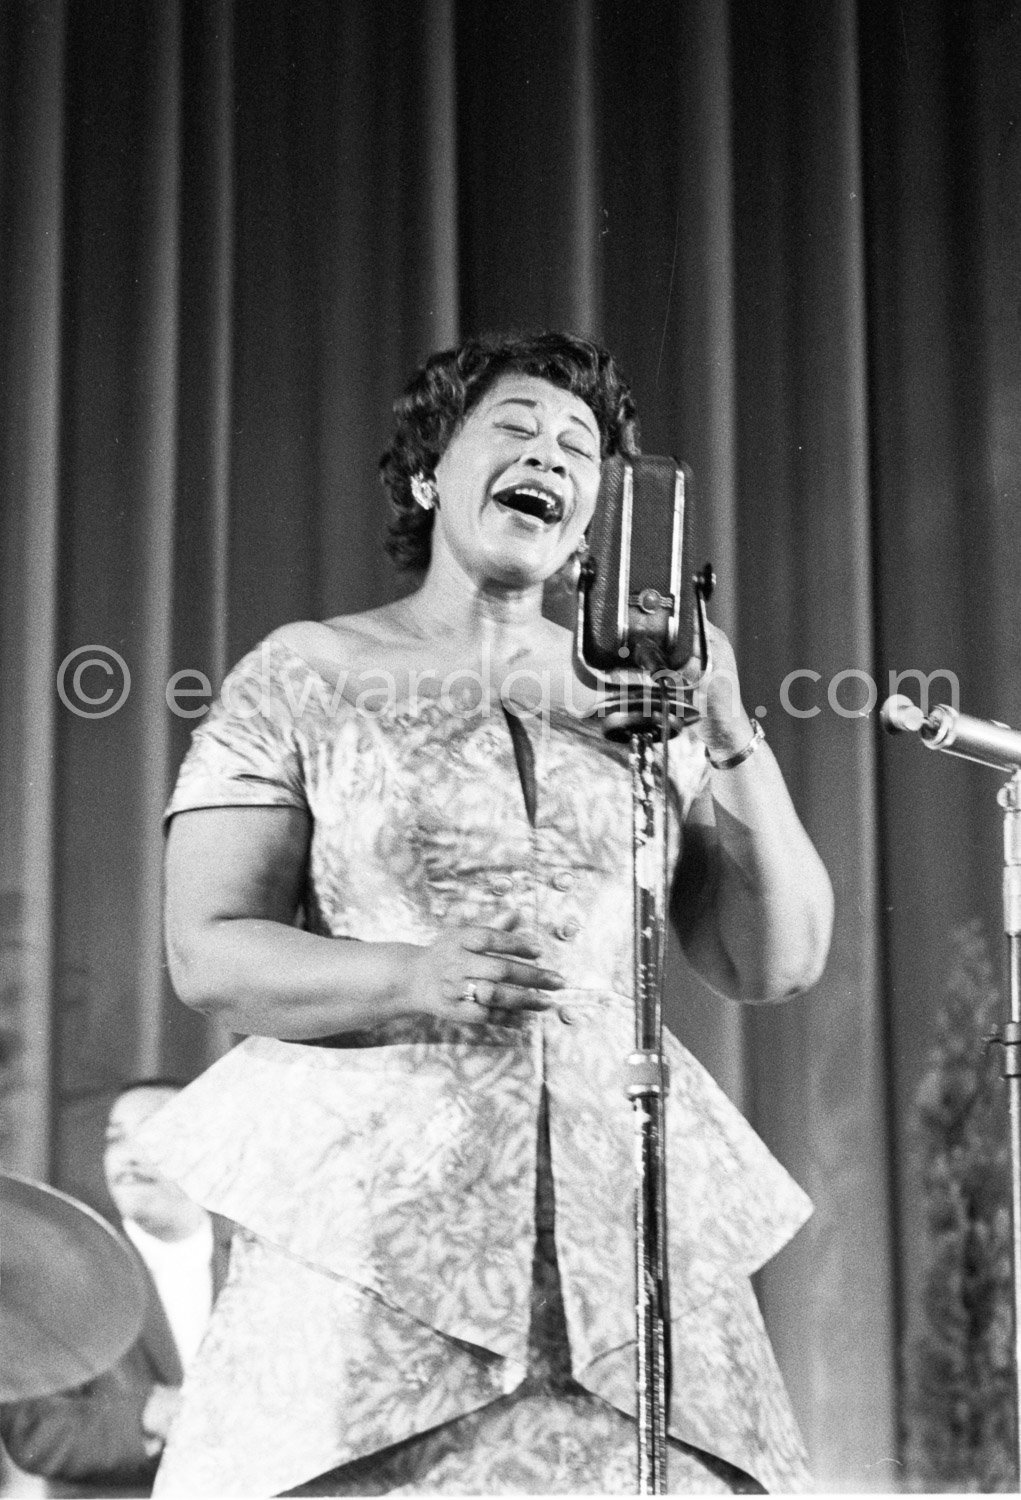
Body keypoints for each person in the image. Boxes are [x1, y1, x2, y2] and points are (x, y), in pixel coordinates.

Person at [135, 331, 834, 1497]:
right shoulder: (307, 670)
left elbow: (779, 960)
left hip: (620, 1241)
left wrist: (722, 717)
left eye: (579, 450)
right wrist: (411, 977)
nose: (549, 456)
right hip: (380, 1232)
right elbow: (207, 952)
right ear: (427, 476)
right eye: (513, 430)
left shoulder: (645, 705)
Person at [0, 1082, 231, 1498]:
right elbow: (34, 1434)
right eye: (115, 1138)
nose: (128, 1154)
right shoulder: (63, 1275)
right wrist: (149, 1414)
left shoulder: (265, 1263)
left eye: (153, 1132)